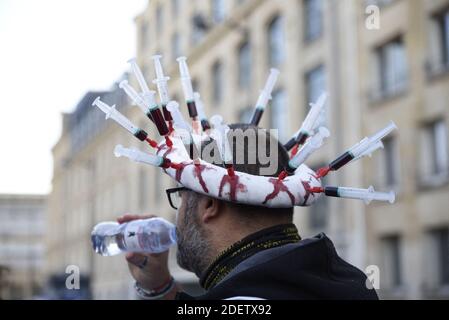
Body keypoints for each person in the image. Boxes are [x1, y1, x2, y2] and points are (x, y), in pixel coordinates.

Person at [118, 124, 379, 300]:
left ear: (209, 205)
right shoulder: (350, 281)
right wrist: (159, 287)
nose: (176, 216)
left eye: (182, 196)